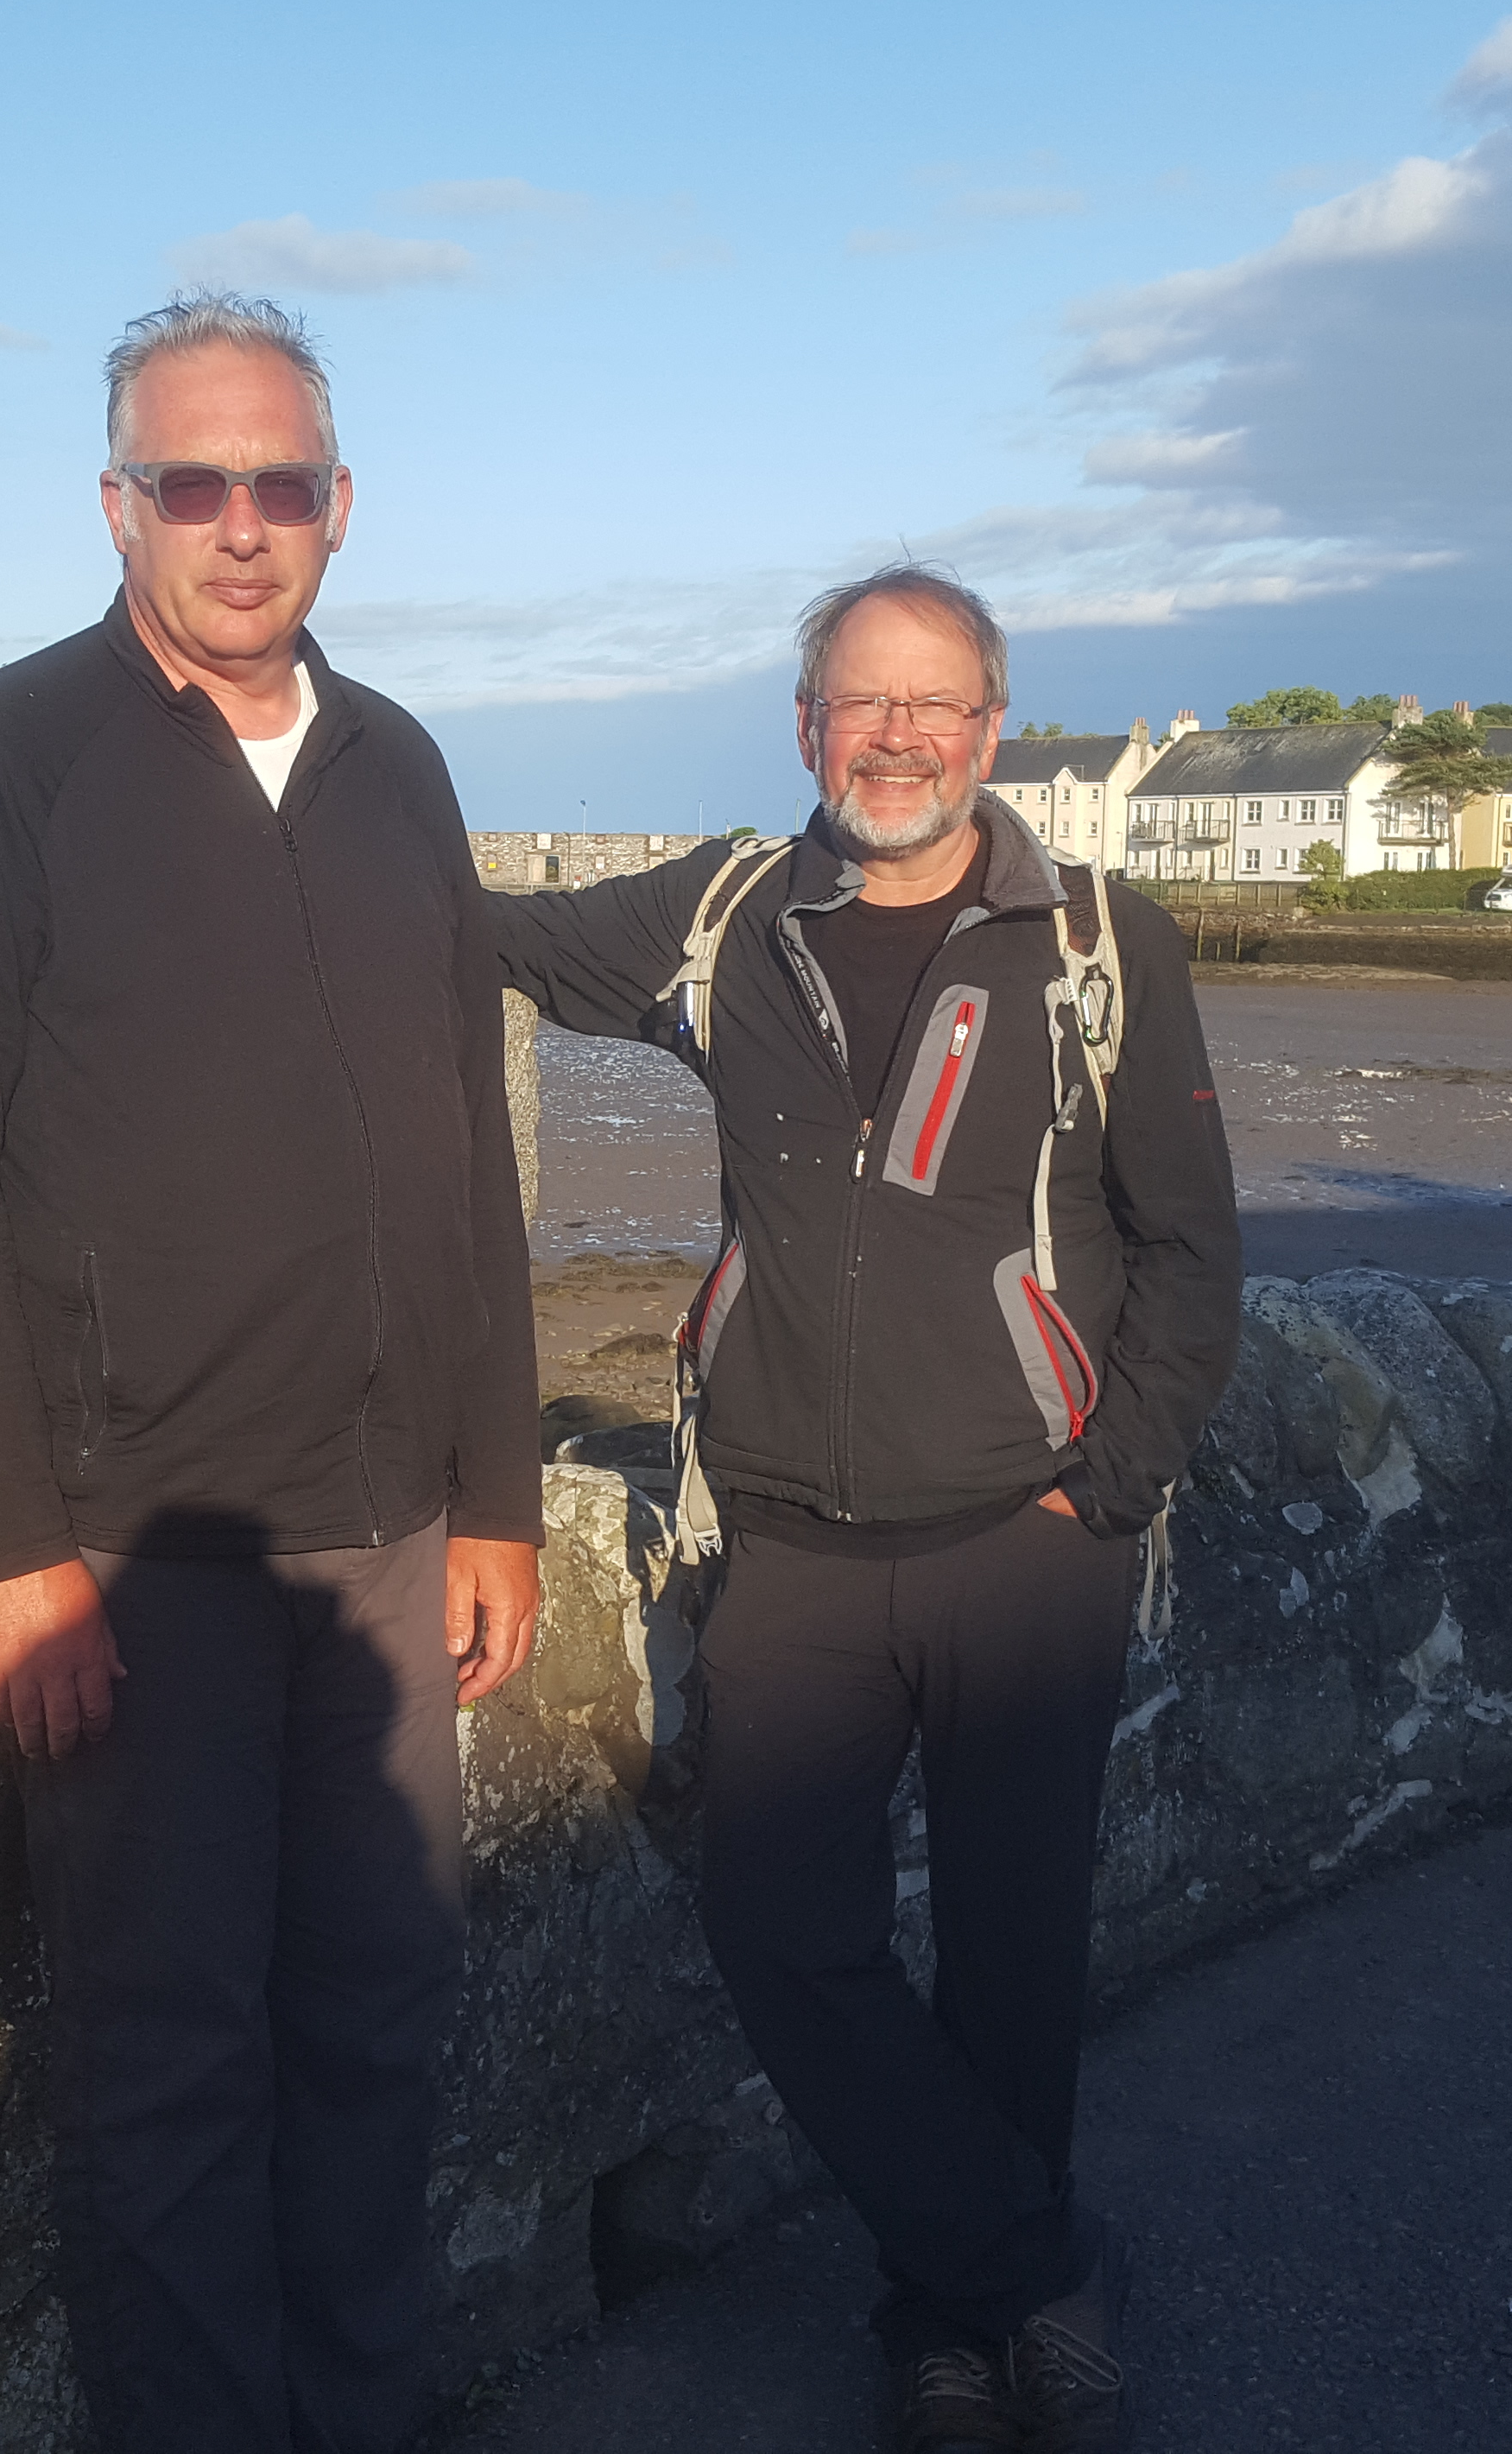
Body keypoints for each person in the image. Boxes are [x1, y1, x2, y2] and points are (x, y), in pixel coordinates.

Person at [0, 292, 545, 2454]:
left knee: (372, 2030)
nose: (241, 529)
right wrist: (15, 1559)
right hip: (134, 1546)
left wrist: (499, 1484)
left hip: (386, 1525)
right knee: (161, 2073)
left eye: (282, 486)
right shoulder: (4, 752)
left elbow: (453, 1144)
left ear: (341, 508)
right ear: (120, 502)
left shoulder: (397, 762)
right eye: (192, 483)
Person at [495, 568, 1240, 2452]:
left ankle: (944, 2333)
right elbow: (476, 939)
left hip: (1026, 1539)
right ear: (804, 724)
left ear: (995, 731)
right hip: (794, 1543)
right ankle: (1034, 2268)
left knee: (1009, 1959)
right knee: (781, 1931)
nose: (895, 738)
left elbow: (1187, 1240)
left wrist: (1115, 1480)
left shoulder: (1097, 940)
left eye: (937, 706)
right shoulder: (723, 915)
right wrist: (282, 815)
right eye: (859, 703)